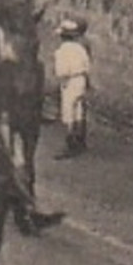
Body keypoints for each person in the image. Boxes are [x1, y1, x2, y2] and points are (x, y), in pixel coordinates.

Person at [53, 18, 92, 159]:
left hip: (69, 81)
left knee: (68, 111)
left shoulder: (61, 51)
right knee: (79, 110)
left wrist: (61, 81)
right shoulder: (80, 49)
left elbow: (61, 71)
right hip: (80, 79)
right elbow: (87, 66)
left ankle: (70, 143)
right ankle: (80, 140)